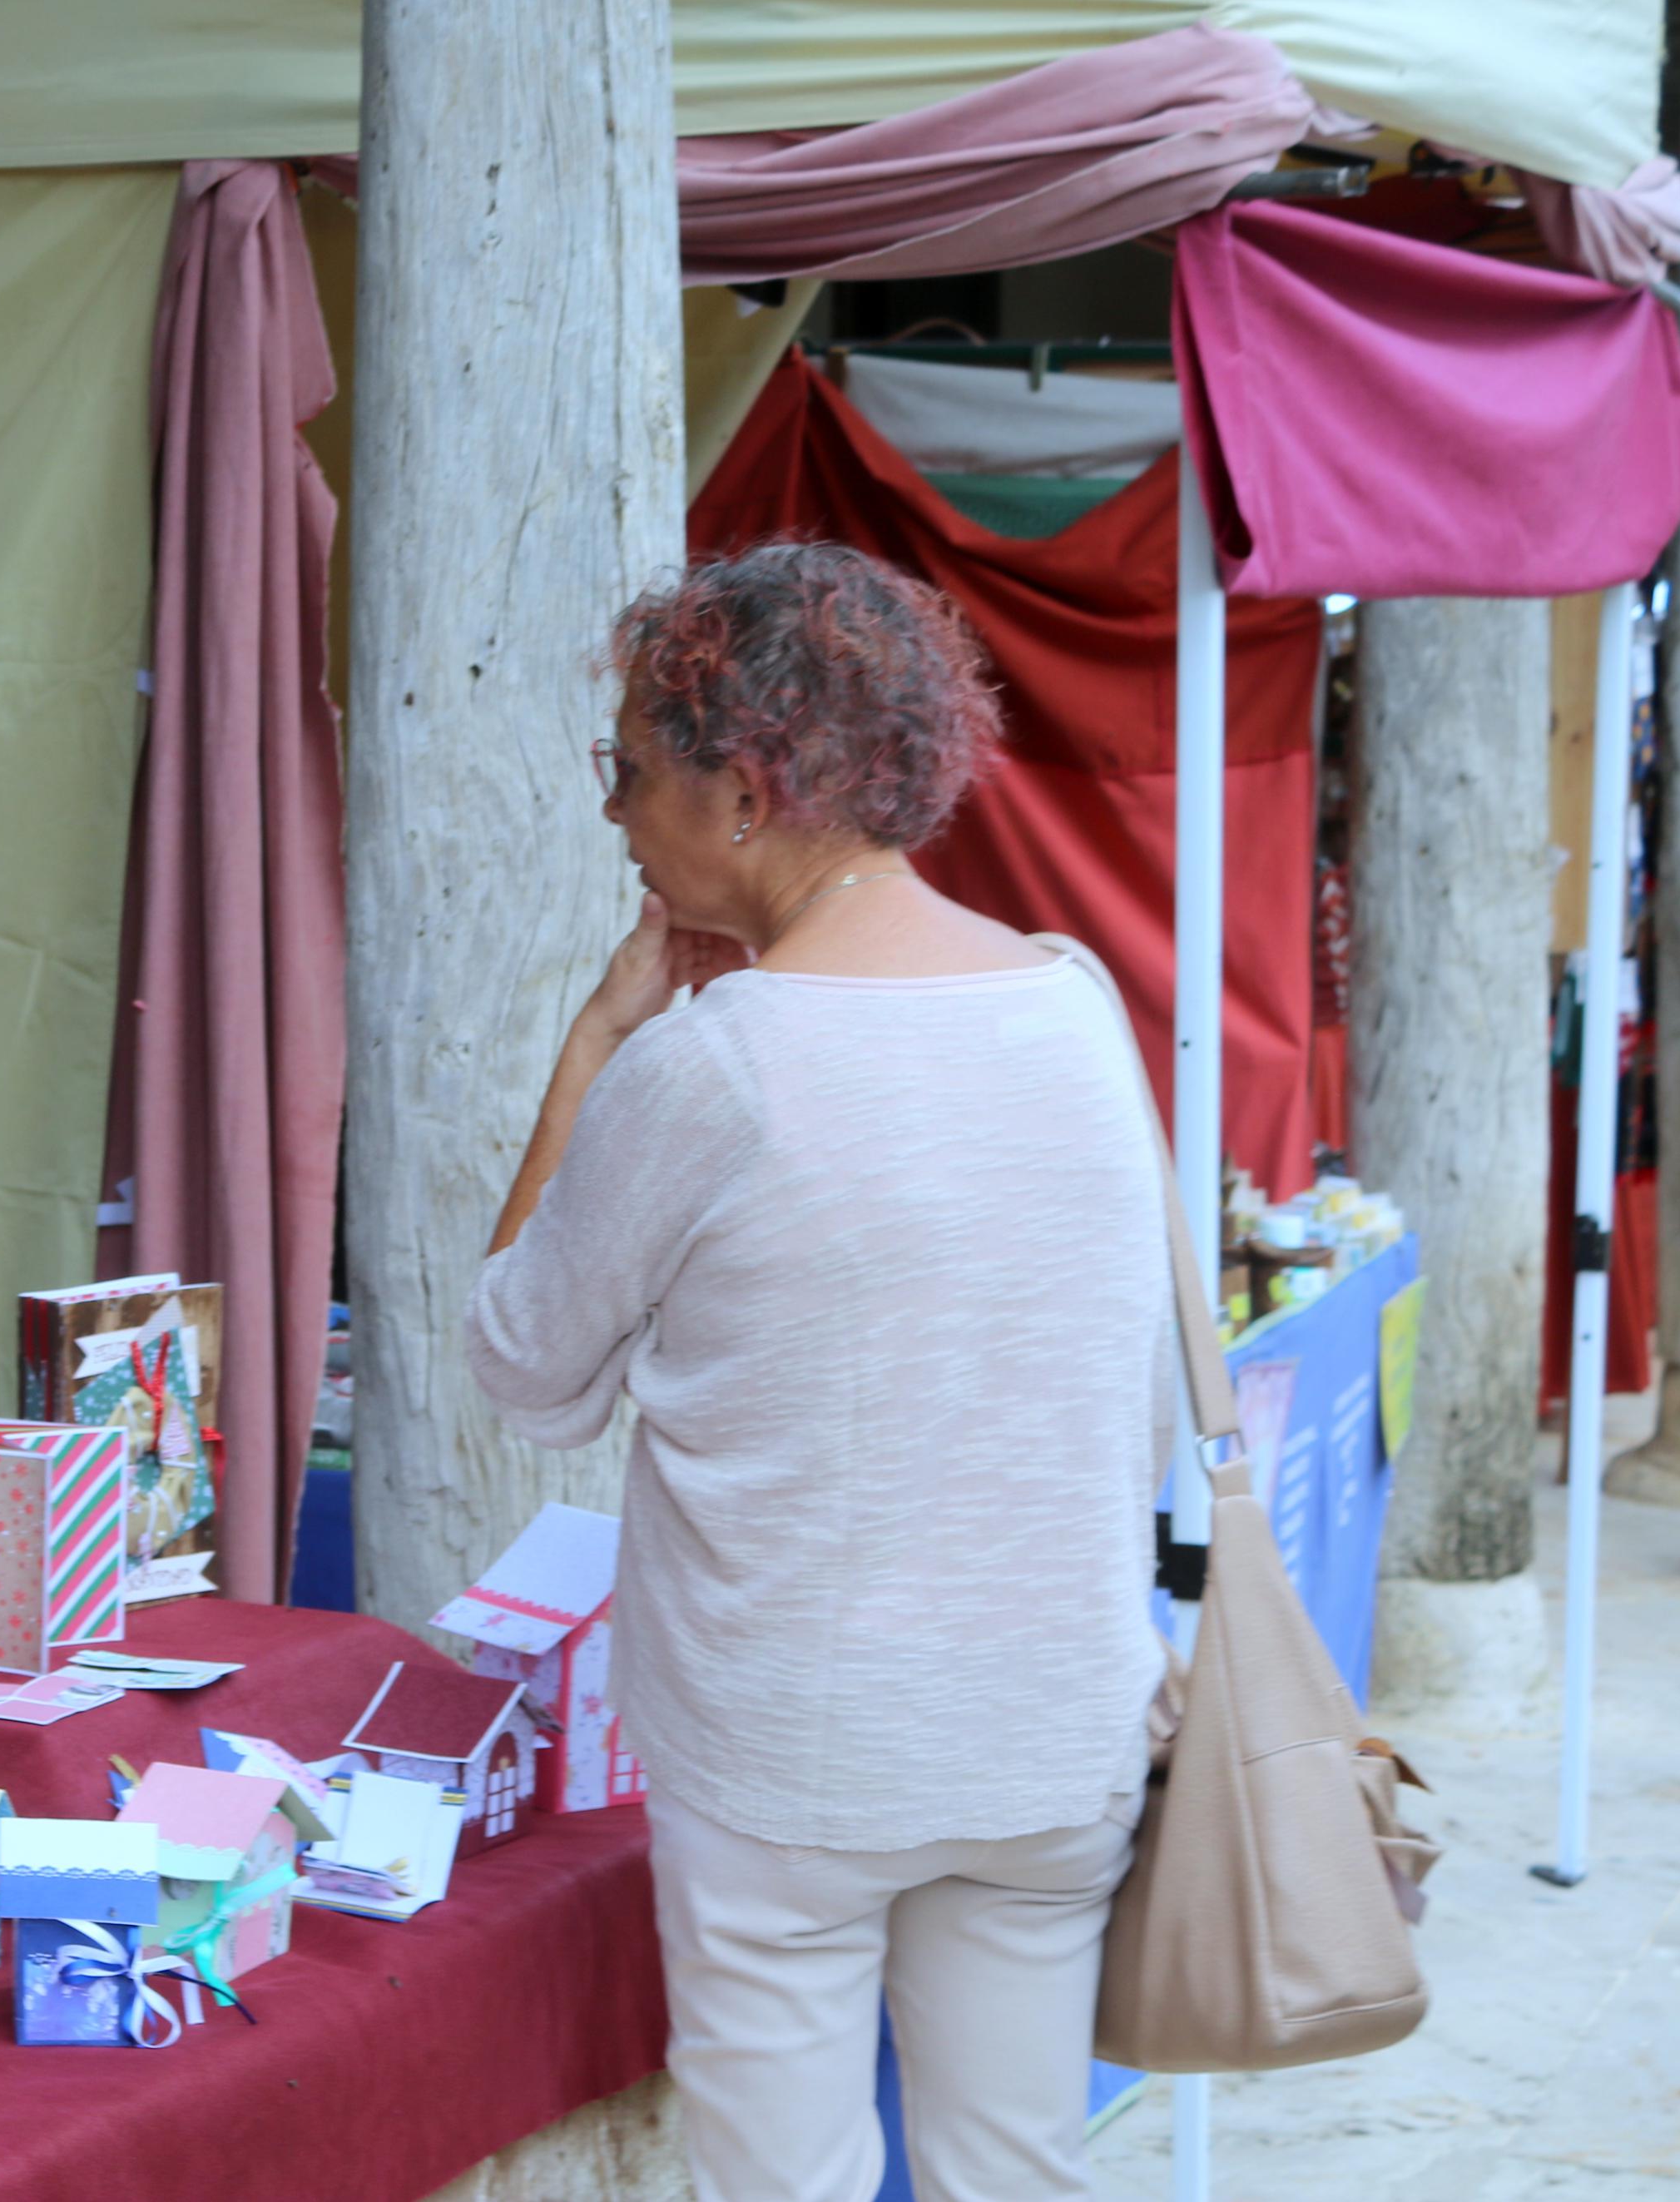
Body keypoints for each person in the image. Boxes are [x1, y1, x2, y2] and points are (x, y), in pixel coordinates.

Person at [467, 541, 1167, 2202]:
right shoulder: (1072, 1006)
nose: (610, 812)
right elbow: (1127, 1387)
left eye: (628, 766)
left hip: (795, 1751)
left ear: (745, 786)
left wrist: (591, 1045)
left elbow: (519, 1360)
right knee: (1017, 2173)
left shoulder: (709, 1067)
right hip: (1046, 1723)